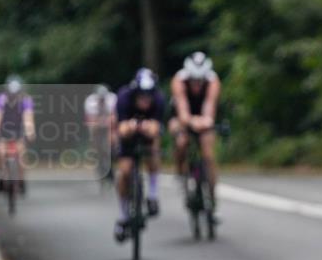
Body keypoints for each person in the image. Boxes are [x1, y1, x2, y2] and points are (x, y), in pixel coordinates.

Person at [114, 68, 165, 242]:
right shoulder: (123, 97)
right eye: (142, 95)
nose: (146, 99)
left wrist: (147, 128)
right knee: (125, 172)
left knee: (153, 152)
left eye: (148, 95)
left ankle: (152, 194)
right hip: (128, 136)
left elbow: (157, 129)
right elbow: (120, 129)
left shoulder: (159, 99)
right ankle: (123, 216)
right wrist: (132, 126)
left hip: (147, 136)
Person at [168, 52, 221, 200]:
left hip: (203, 116)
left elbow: (209, 105)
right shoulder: (179, 80)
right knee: (181, 142)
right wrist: (190, 122)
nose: (197, 84)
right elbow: (182, 108)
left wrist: (206, 121)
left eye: (200, 80)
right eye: (193, 80)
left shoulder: (213, 80)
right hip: (182, 115)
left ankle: (212, 196)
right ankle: (180, 172)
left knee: (208, 154)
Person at [0, 75, 35, 193]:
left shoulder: (25, 100)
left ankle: (21, 179)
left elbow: (28, 118)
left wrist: (30, 131)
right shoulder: (1, 100)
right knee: (0, 152)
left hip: (18, 131)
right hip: (3, 130)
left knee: (22, 154)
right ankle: (0, 175)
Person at [84, 84, 117, 181]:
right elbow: (90, 121)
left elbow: (114, 118)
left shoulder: (112, 99)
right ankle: (99, 161)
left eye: (103, 98)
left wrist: (112, 134)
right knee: (96, 143)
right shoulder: (90, 102)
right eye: (100, 99)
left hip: (109, 124)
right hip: (96, 124)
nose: (102, 100)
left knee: (112, 141)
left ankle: (111, 164)